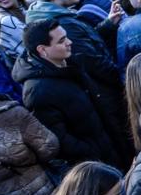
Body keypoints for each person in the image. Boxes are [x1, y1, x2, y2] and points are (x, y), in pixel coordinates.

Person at [13, 19, 121, 167]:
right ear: (42, 50)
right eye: (62, 41)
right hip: (97, 163)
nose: (69, 42)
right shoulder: (37, 91)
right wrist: (93, 152)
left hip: (114, 147)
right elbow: (60, 140)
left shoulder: (70, 61)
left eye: (66, 37)